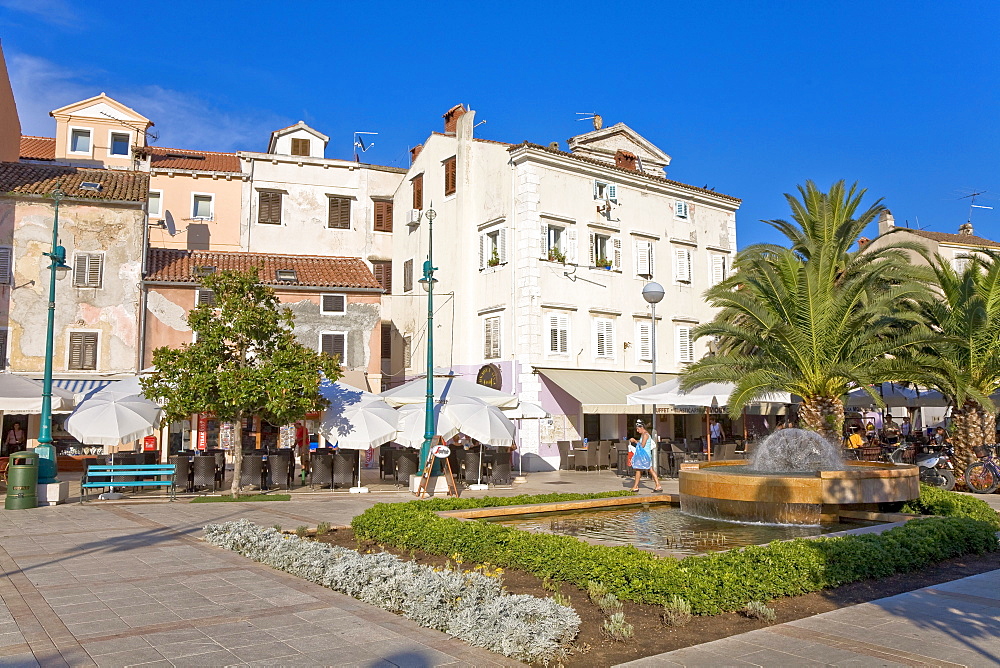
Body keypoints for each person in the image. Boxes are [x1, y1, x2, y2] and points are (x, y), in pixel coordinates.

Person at [628, 420, 662, 493]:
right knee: (643, 469)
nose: (637, 431)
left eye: (638, 429)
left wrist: (634, 441)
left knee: (644, 470)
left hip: (645, 455)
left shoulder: (645, 435)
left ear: (642, 427)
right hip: (644, 455)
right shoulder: (644, 434)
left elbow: (642, 445)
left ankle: (657, 485)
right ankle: (636, 486)